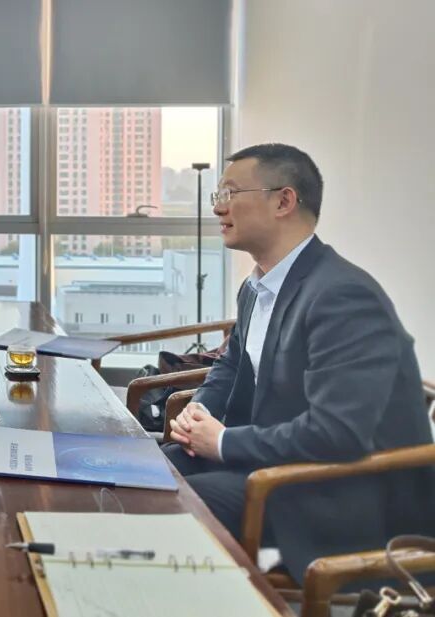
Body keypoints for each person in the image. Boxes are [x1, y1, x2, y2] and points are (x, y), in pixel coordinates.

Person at [165, 143, 435, 582]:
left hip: (343, 495)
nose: (218, 208)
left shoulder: (343, 296)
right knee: (155, 469)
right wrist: (199, 413)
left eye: (230, 193)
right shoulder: (257, 287)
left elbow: (338, 432)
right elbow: (231, 367)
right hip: (282, 466)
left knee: (179, 500)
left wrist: (225, 442)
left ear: (284, 201)